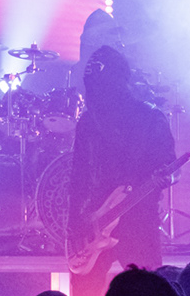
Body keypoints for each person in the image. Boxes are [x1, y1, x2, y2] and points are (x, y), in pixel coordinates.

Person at [69, 45, 177, 279]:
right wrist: (75, 227)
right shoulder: (88, 122)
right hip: (94, 223)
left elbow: (172, 167)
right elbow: (78, 178)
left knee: (145, 293)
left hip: (139, 222)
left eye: (102, 84)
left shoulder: (150, 118)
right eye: (92, 85)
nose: (96, 92)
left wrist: (166, 177)